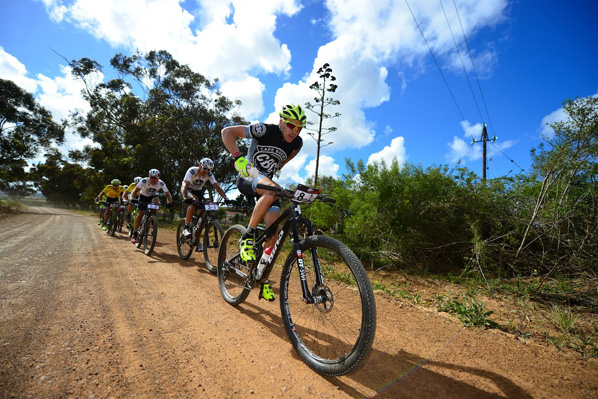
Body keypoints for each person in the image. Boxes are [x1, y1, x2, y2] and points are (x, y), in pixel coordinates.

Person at [221, 104, 306, 301]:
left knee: (273, 233)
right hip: (248, 177)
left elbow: (282, 162)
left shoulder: (297, 144)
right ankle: (247, 238)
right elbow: (227, 132)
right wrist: (238, 158)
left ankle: (261, 276)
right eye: (291, 125)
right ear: (281, 123)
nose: (295, 131)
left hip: (268, 186)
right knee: (271, 189)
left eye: (299, 127)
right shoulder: (265, 129)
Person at [180, 158, 230, 251]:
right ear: (200, 166)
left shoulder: (209, 174)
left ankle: (196, 235)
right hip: (188, 189)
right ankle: (186, 227)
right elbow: (185, 185)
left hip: (199, 191)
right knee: (194, 201)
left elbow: (217, 187)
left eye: (209, 170)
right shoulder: (192, 171)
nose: (207, 171)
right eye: (205, 169)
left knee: (203, 208)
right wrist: (185, 197)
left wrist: (225, 198)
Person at [129, 169, 173, 244]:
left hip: (153, 196)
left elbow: (167, 194)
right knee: (140, 214)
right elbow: (135, 190)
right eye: (151, 177)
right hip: (143, 196)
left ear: (158, 178)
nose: (153, 179)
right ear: (149, 177)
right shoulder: (144, 181)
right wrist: (132, 198)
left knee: (156, 201)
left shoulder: (161, 183)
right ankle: (135, 232)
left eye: (155, 178)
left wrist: (169, 202)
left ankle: (153, 217)